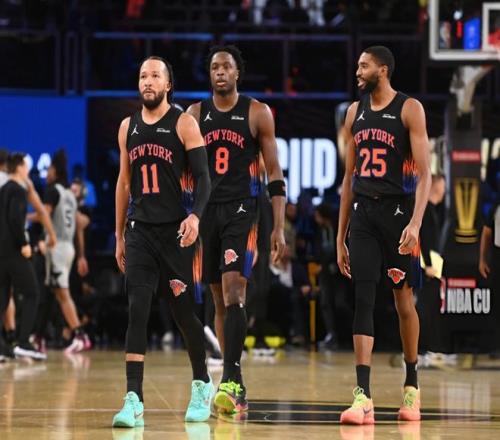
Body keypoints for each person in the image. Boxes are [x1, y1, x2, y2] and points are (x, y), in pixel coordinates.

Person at [113, 56, 213, 428]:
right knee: (137, 308)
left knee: (183, 313)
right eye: (143, 75)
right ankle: (134, 398)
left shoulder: (184, 123)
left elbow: (204, 178)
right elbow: (125, 183)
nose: (148, 81)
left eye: (155, 75)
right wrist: (119, 234)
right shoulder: (128, 126)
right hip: (139, 231)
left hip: (175, 232)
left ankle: (202, 382)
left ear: (168, 84)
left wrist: (196, 216)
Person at [187, 45, 286, 414]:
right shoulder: (195, 114)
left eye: (226, 66)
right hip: (207, 212)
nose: (220, 72)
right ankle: (235, 381)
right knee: (218, 299)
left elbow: (273, 172)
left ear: (237, 72)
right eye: (214, 66)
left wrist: (278, 227)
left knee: (234, 290)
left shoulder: (257, 113)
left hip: (243, 209)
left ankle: (230, 377)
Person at [336, 46, 431, 424]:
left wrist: (416, 223)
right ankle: (363, 396)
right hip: (363, 213)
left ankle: (412, 385)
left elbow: (425, 175)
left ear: (383, 69)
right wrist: (341, 235)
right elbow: (347, 179)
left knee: (403, 301)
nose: (358, 71)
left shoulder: (409, 109)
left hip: (399, 214)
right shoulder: (353, 113)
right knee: (362, 297)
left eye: (364, 66)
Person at [30, 150, 91, 354]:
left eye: (49, 169)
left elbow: (44, 215)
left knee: (62, 294)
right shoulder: (70, 195)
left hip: (56, 247)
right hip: (68, 248)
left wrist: (25, 216)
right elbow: (79, 224)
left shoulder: (52, 191)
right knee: (51, 293)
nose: (46, 173)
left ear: (55, 170)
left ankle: (80, 334)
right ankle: (38, 337)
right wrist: (81, 255)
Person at [0, 153, 47, 360]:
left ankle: (2, 346)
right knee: (32, 293)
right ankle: (24, 342)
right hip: (14, 250)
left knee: (2, 296)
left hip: (1, 252)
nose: (27, 170)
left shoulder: (3, 189)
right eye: (26, 166)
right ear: (19, 167)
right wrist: (24, 244)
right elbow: (15, 219)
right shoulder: (19, 190)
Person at [479, 195, 500, 358]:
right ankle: (496, 346)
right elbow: (486, 232)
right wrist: (482, 259)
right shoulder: (496, 204)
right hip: (498, 256)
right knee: (497, 303)